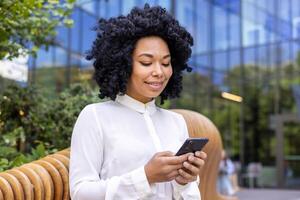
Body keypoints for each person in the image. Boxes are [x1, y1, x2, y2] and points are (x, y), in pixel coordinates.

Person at [69, 4, 207, 200]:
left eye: (166, 63)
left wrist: (184, 181)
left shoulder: (176, 122)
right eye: (146, 62)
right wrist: (146, 176)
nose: (159, 72)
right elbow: (80, 193)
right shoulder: (95, 117)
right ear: (123, 64)